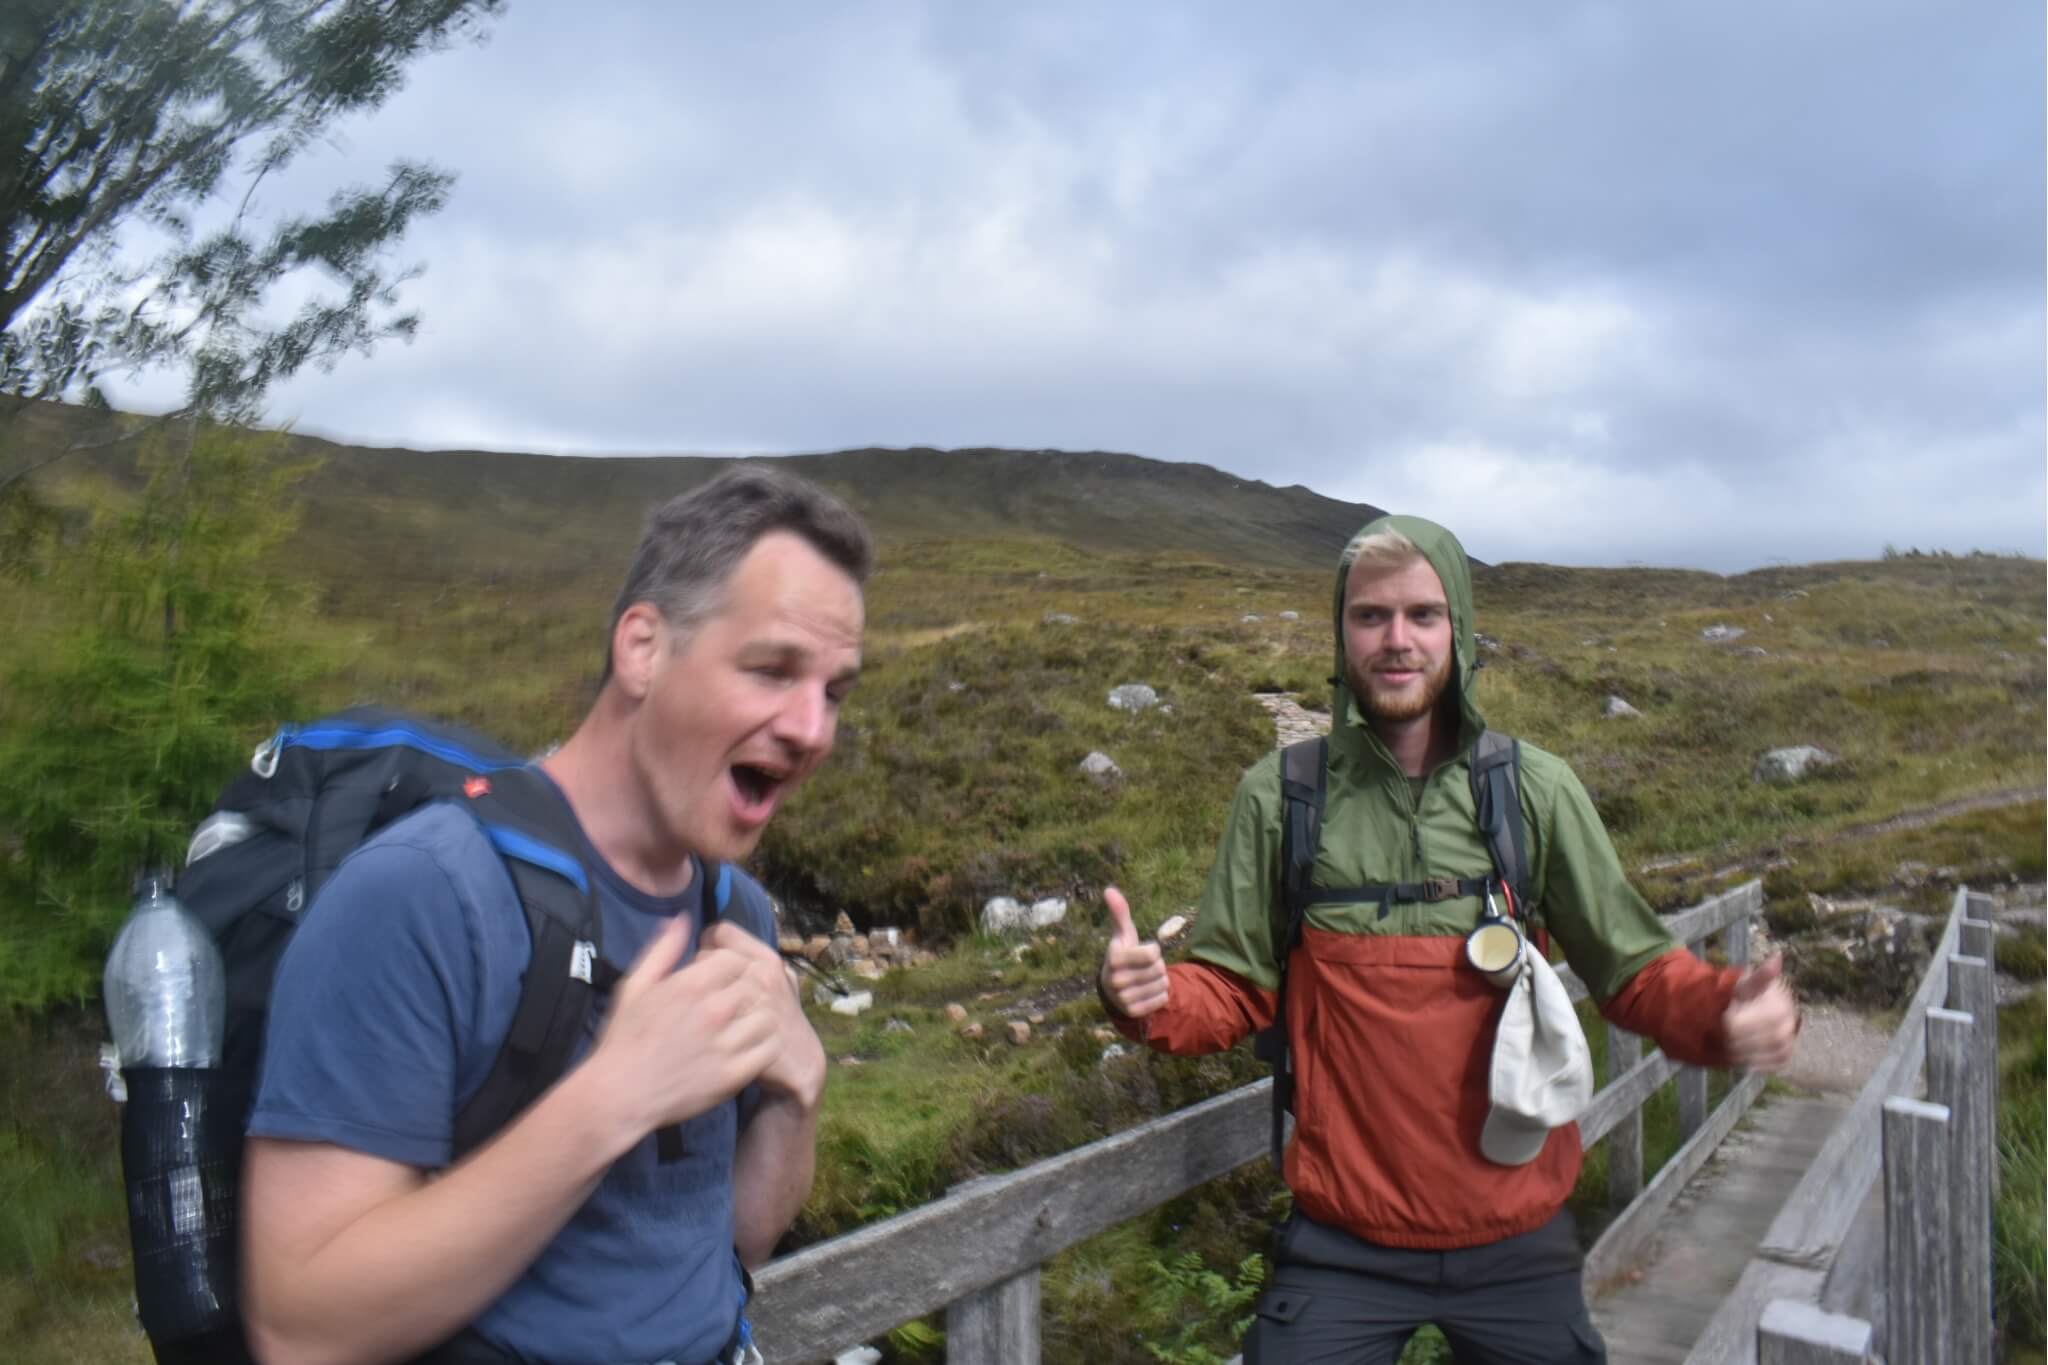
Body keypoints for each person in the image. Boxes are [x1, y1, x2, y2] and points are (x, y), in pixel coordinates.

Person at [1098, 514, 1798, 1365]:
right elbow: (1234, 986)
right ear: (1342, 632)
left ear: (1457, 629)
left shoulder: (1534, 790)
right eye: (1371, 615)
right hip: (1341, 1243)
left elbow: (1634, 968)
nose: (1397, 639)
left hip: (1518, 1238)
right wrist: (1150, 997)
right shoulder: (1280, 798)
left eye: (1422, 614)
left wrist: (1721, 1011)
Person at [241, 467, 871, 1365]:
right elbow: (303, 1329)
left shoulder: (737, 912)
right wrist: (617, 1095)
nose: (812, 730)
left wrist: (794, 1097)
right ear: (643, 648)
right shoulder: (424, 895)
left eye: (834, 691)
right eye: (772, 669)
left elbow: (725, 1247)